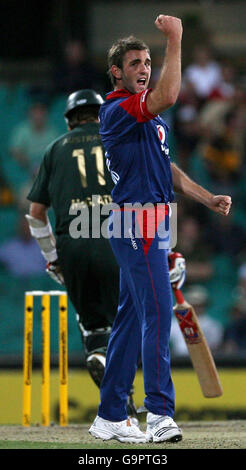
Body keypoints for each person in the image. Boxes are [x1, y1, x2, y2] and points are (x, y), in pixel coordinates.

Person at [89, 14, 231, 444]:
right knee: (154, 315)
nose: (145, 68)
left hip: (152, 223)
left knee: (132, 320)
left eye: (148, 61)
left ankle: (111, 414)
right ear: (117, 72)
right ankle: (161, 413)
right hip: (135, 223)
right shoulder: (116, 109)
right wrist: (176, 37)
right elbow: (169, 94)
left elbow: (165, 168)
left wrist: (206, 197)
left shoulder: (149, 121)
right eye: (135, 63)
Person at [25, 89, 138, 418]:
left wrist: (52, 256)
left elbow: (34, 213)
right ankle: (123, 392)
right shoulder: (117, 141)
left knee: (92, 327)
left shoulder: (54, 149)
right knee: (126, 321)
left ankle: (119, 399)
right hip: (113, 239)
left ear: (69, 119)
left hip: (72, 245)